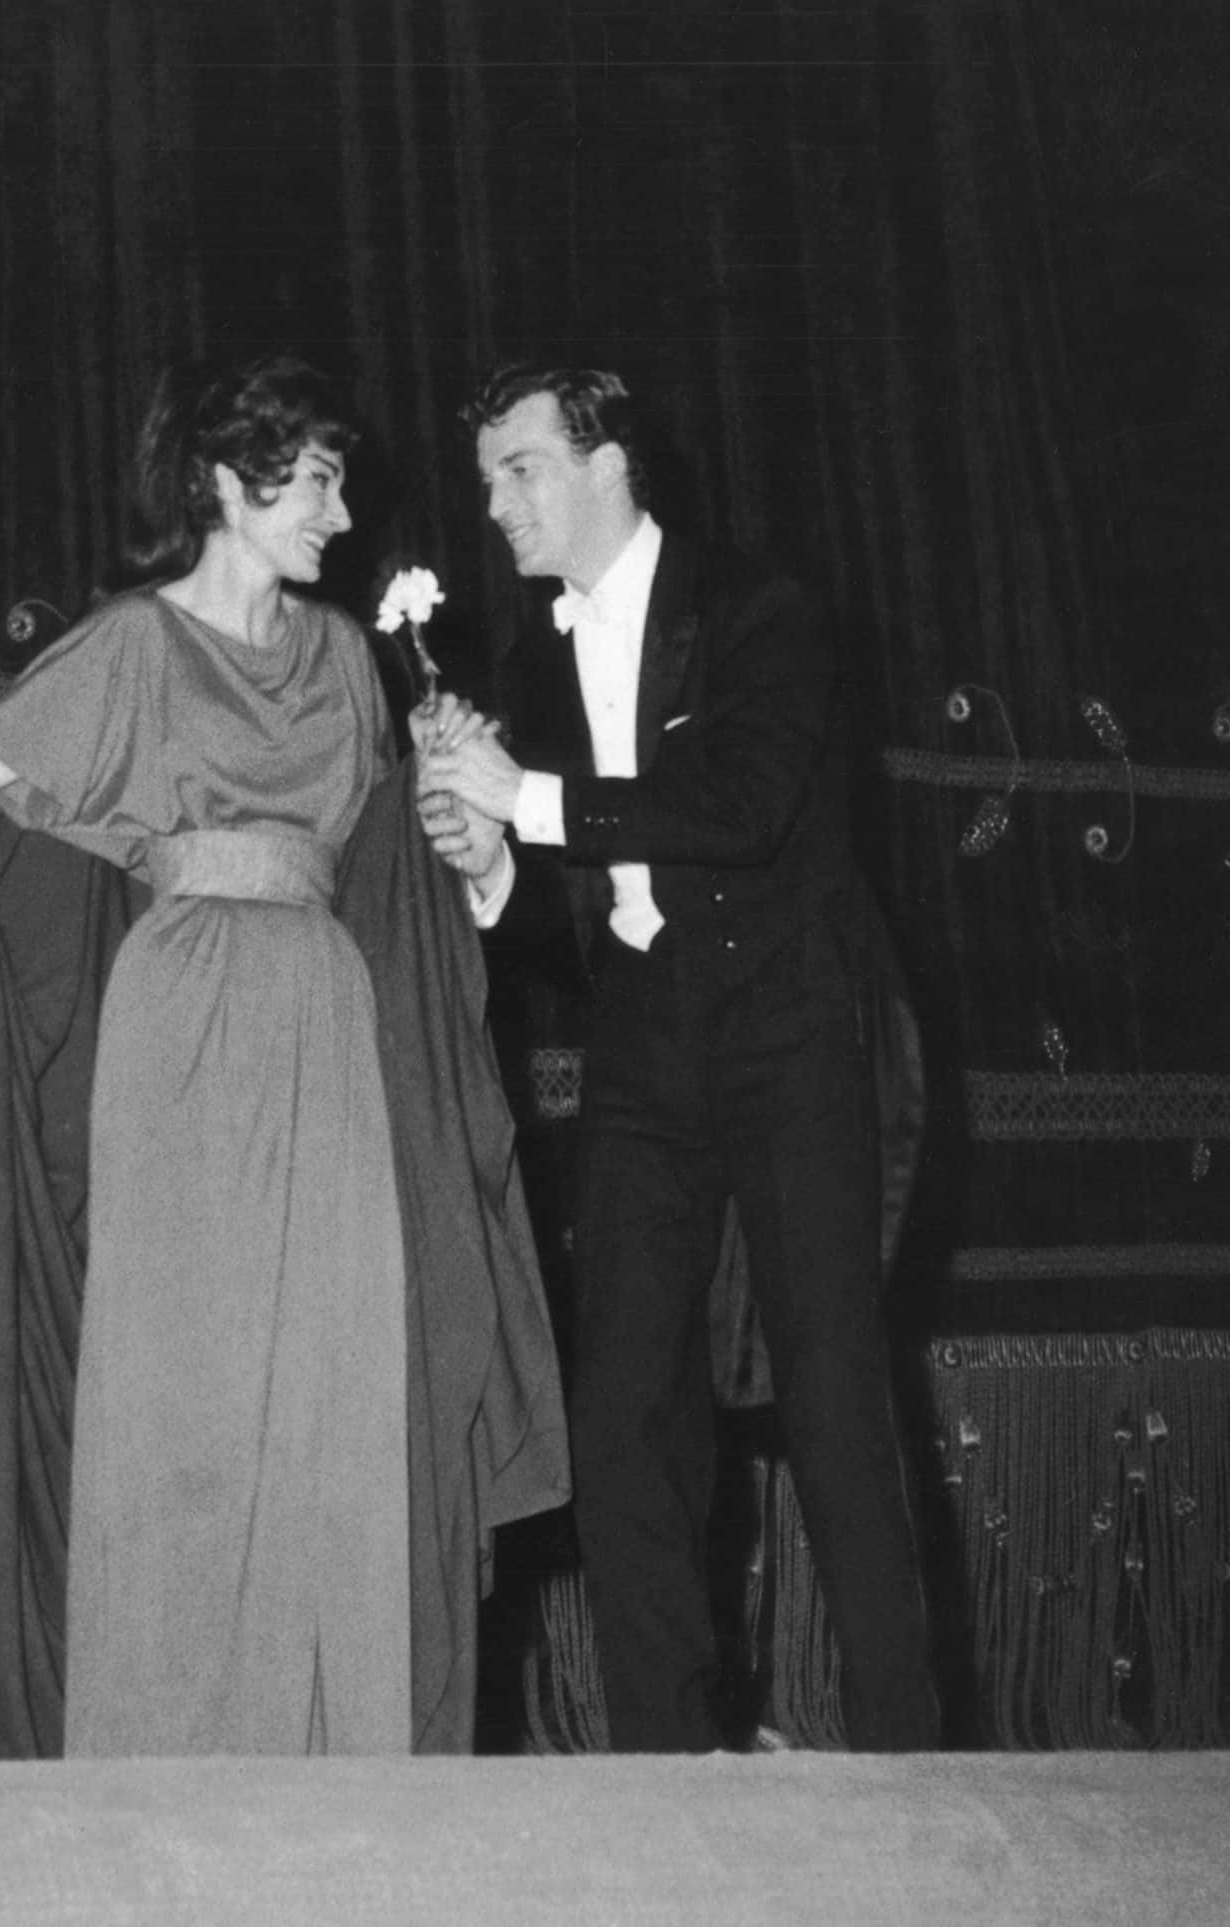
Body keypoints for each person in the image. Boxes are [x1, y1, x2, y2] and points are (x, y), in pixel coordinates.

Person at [0, 354, 567, 1757]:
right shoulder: (134, 644)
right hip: (183, 1012)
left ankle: (335, 1737)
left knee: (338, 1354)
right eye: (321, 479)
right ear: (230, 482)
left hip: (325, 1011)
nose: (344, 511)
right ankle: (173, 1736)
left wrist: (458, 793)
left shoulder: (346, 657)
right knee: (187, 1365)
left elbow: (388, 863)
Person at [417, 362, 939, 1751]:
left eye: (518, 468)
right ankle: (673, 1763)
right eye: (484, 480)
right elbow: (554, 889)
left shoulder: (759, 607)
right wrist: (483, 859)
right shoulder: (533, 658)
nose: (496, 504)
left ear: (606, 465)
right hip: (647, 1045)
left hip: (790, 1029)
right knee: (623, 1403)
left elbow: (744, 804)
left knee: (833, 1391)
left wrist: (518, 798)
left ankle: (914, 1757)